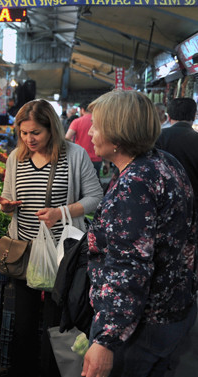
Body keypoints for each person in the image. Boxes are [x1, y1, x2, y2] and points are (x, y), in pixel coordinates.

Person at [83, 90, 197, 377]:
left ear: (116, 135)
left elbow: (129, 265)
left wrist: (107, 338)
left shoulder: (134, 184)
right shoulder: (165, 163)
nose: (91, 132)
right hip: (174, 310)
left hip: (141, 326)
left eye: (96, 125)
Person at [0, 99, 103, 377]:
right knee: (24, 321)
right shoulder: (14, 159)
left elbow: (95, 198)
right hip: (25, 252)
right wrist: (5, 206)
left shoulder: (75, 155)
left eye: (35, 133)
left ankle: (52, 371)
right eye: (23, 133)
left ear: (51, 129)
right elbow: (7, 197)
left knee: (57, 322)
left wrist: (61, 213)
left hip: (63, 255)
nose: (29, 139)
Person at [155, 98, 198, 205]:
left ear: (168, 117)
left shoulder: (157, 138)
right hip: (194, 204)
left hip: (165, 204)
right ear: (194, 116)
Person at [65, 101, 103, 174]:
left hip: (80, 158)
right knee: (95, 182)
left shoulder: (77, 122)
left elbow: (67, 138)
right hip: (97, 158)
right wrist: (107, 163)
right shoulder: (99, 121)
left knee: (79, 183)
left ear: (82, 110)